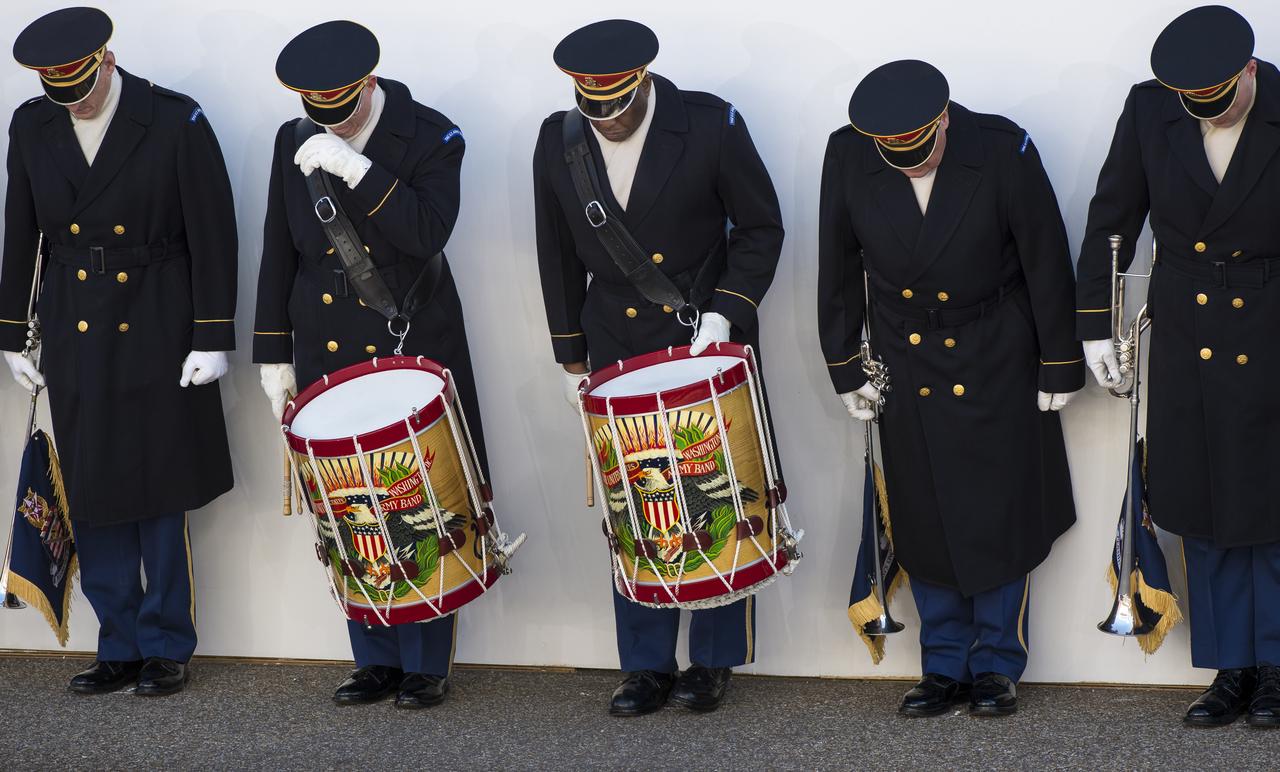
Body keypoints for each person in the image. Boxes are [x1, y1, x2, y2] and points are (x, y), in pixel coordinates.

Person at [532, 19, 785, 716]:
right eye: (594, 110)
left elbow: (761, 227)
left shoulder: (710, 125)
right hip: (615, 339)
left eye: (616, 107)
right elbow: (554, 252)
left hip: (703, 332)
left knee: (717, 490)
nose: (606, 122)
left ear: (641, 84)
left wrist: (726, 310)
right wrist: (570, 357)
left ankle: (712, 660)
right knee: (634, 501)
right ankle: (645, 664)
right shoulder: (559, 141)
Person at [818, 59, 1083, 717]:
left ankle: (996, 664)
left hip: (994, 348)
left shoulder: (1000, 146)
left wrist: (1059, 362)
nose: (907, 164)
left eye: (919, 149)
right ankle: (942, 666)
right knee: (924, 509)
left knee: (997, 511)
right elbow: (837, 262)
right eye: (893, 154)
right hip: (906, 359)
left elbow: (1045, 255)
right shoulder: (849, 153)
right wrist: (844, 363)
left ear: (942, 120)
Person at [0, 6, 237, 696]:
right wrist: (12, 332)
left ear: (106, 59)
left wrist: (213, 335)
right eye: (58, 91)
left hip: (158, 313)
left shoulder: (174, 119)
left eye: (81, 85)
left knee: (160, 486)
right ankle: (118, 642)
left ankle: (166, 643)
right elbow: (22, 232)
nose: (74, 102)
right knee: (93, 486)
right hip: (75, 320)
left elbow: (214, 234)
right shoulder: (32, 123)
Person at [254, 20, 489, 709]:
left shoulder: (434, 134)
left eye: (344, 105)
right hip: (323, 337)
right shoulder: (293, 139)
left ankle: (425, 662)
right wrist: (272, 351)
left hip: (407, 337)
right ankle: (373, 655)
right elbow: (279, 245)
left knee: (416, 497)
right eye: (316, 108)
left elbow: (426, 232)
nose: (331, 119)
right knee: (348, 502)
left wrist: (358, 167)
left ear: (369, 83)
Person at [1078, 5, 1280, 728]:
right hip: (1188, 330)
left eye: (1222, 103)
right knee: (1204, 501)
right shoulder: (1149, 108)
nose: (1211, 117)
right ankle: (1232, 668)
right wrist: (1095, 325)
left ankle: (1277, 665)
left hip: (1272, 329)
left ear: (1248, 71)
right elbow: (1112, 218)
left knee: (1269, 504)